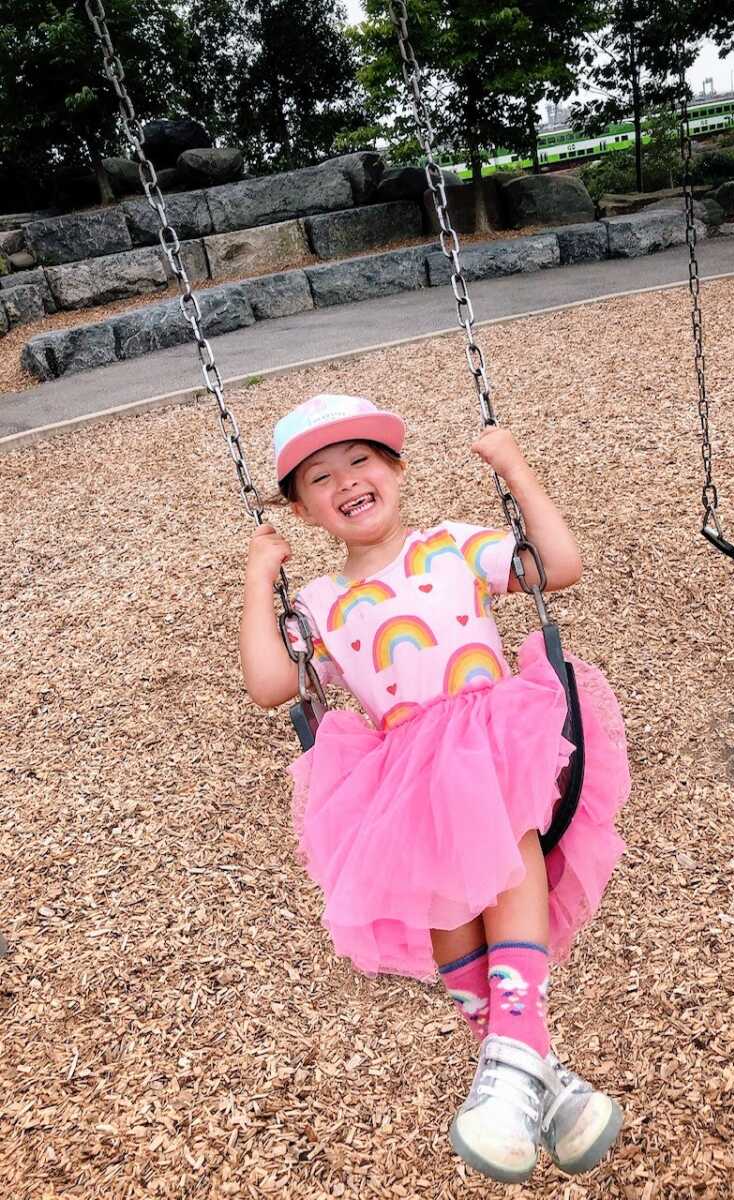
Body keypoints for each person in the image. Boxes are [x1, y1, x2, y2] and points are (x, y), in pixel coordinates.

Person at [240, 393, 631, 1184]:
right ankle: (539, 1086)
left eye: (361, 461)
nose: (347, 481)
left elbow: (557, 566)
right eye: (320, 477)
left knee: (507, 857)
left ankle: (515, 1057)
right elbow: (271, 685)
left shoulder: (450, 546)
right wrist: (258, 579)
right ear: (304, 509)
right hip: (405, 767)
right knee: (450, 910)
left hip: (493, 737)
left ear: (395, 471)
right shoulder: (317, 602)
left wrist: (515, 470)